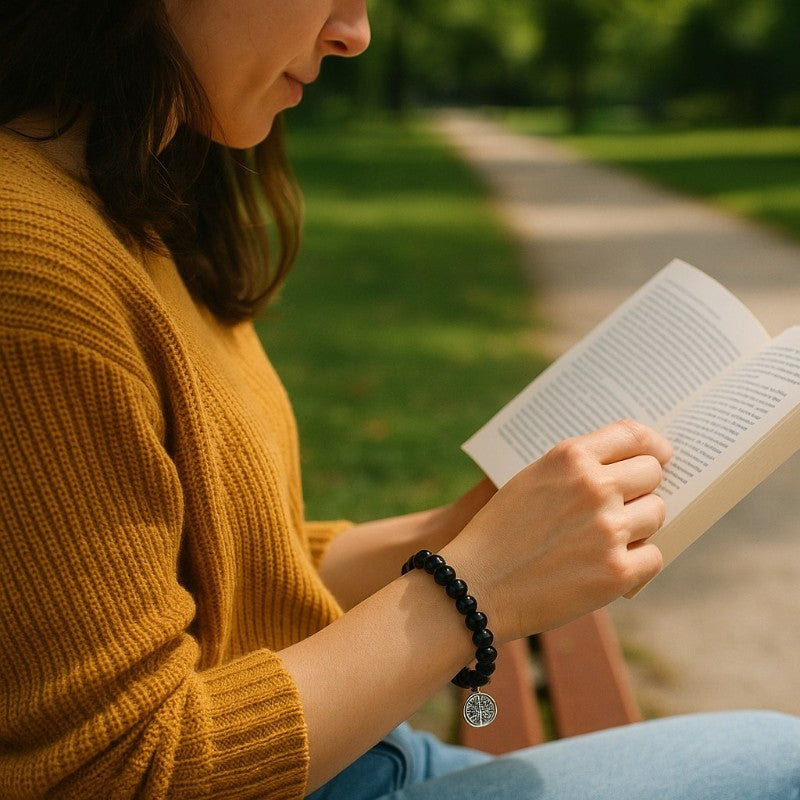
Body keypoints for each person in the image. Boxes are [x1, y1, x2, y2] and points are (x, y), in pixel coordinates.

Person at [0, 2, 798, 798]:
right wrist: (473, 587)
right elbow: (112, 773)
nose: (356, 33)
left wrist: (468, 528)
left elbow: (225, 577)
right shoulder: (33, 269)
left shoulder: (125, 202)